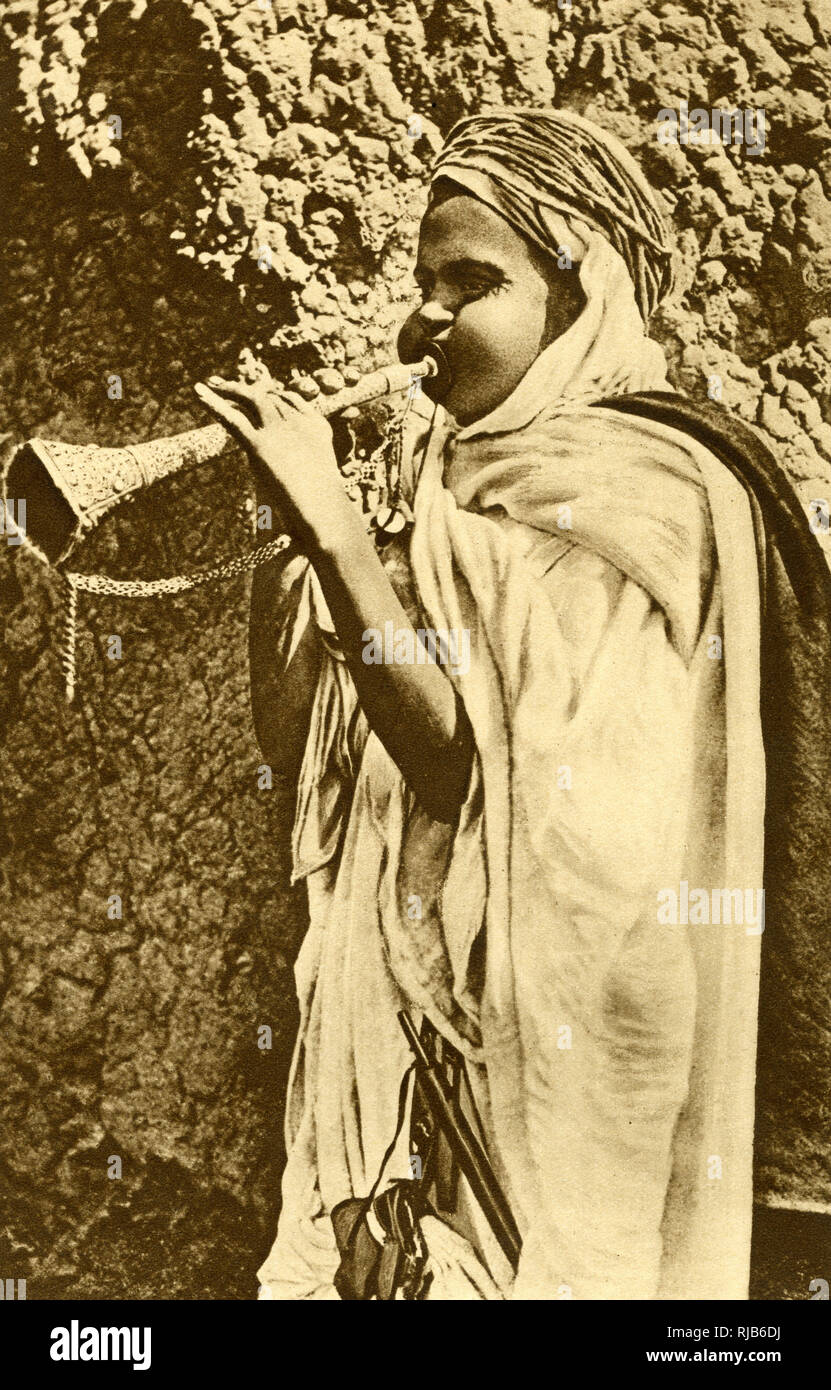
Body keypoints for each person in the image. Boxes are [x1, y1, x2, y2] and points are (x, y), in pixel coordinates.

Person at [194, 109, 827, 1299]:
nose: (425, 316)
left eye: (471, 281)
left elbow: (469, 775)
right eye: (421, 281)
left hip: (560, 1040)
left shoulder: (649, 494)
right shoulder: (440, 495)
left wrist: (340, 536)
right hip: (395, 1038)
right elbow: (305, 764)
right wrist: (303, 541)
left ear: (579, 294)